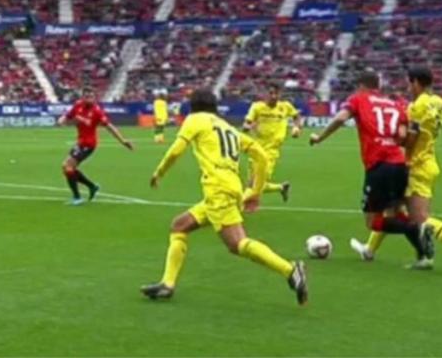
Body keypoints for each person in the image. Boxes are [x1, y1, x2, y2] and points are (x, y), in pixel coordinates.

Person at [141, 89, 308, 305]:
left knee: (237, 244)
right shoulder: (225, 126)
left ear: (192, 106)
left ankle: (291, 270)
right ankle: (167, 284)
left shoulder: (195, 119)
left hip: (218, 189)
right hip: (231, 187)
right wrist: (255, 190)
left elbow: (176, 150)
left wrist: (159, 173)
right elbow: (260, 154)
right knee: (179, 226)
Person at [350, 66, 442, 276]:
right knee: (393, 209)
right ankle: (371, 250)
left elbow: (409, 140)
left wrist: (393, 139)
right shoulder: (441, 103)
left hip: (416, 166)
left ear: (415, 82)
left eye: (409, 83)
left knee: (421, 219)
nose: (408, 87)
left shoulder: (415, 107)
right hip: (429, 162)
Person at [309, 71, 434, 263]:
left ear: (361, 86)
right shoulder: (394, 104)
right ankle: (423, 257)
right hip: (399, 164)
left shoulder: (358, 99)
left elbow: (341, 118)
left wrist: (319, 137)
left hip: (378, 166)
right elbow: (402, 135)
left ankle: (415, 228)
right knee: (396, 212)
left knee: (373, 222)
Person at [58, 87, 134, 205]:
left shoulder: (97, 111)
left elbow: (110, 127)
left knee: (68, 167)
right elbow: (68, 116)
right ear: (83, 97)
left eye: (92, 96)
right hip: (80, 143)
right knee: (66, 167)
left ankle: (77, 198)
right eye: (87, 96)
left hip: (89, 144)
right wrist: (62, 119)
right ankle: (92, 187)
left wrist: (123, 141)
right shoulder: (78, 105)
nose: (90, 99)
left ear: (95, 98)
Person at [242, 83, 302, 202]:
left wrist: (297, 127)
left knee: (255, 183)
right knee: (253, 184)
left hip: (270, 152)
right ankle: (281, 187)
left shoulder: (285, 106)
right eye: (270, 93)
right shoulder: (257, 107)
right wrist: (247, 127)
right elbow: (246, 123)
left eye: (276, 93)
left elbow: (296, 116)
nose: (274, 96)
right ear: (264, 94)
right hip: (256, 149)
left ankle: (236, 206)